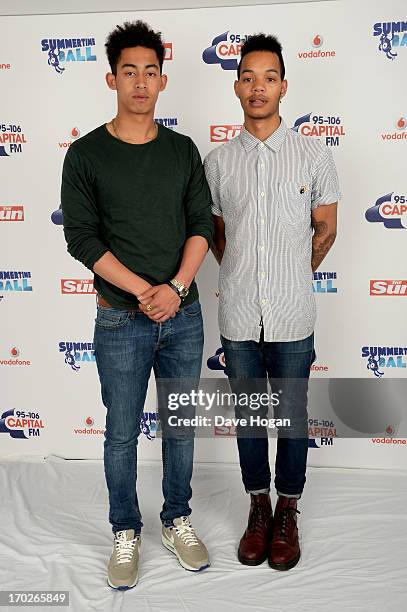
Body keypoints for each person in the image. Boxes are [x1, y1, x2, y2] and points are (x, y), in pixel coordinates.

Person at [61, 20, 213, 589]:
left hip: (184, 314)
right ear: (112, 79)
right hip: (119, 319)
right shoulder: (85, 154)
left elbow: (200, 224)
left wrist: (174, 289)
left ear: (163, 80)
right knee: (122, 432)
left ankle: (177, 519)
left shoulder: (182, 150)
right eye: (130, 72)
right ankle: (126, 529)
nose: (141, 82)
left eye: (150, 71)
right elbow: (82, 238)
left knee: (179, 427)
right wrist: (143, 291)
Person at [204, 33, 340, 571]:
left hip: (292, 314)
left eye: (269, 77)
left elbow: (326, 228)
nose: (258, 87)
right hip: (238, 314)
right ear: (237, 86)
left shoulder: (313, 154)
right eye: (248, 77)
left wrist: (289, 275)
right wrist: (245, 276)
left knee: (292, 417)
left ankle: (288, 509)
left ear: (283, 85)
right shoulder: (218, 162)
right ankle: (257, 506)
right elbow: (218, 236)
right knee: (248, 418)